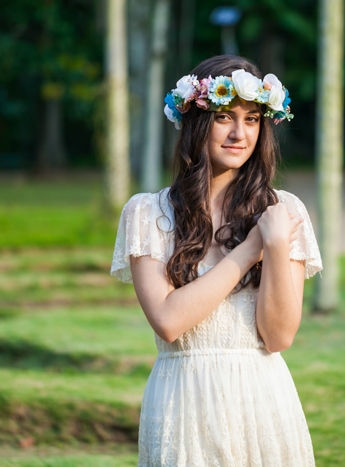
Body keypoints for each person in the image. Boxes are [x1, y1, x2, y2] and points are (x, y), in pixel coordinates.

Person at [110, 54, 322, 467]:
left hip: (263, 402)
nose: (240, 133)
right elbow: (170, 322)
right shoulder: (148, 214)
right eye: (225, 117)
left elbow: (278, 337)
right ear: (195, 121)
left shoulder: (284, 212)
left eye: (253, 119)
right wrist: (250, 250)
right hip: (182, 402)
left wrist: (276, 246)